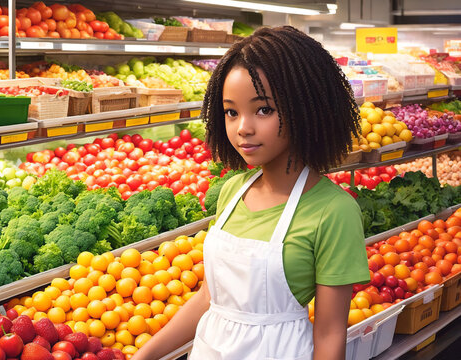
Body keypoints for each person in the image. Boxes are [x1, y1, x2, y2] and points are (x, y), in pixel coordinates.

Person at [132, 26, 370, 360]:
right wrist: (143, 355)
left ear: (306, 108)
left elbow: (330, 334)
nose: (243, 127)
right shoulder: (231, 190)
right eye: (231, 111)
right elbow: (209, 298)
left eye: (263, 110)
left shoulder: (334, 211)